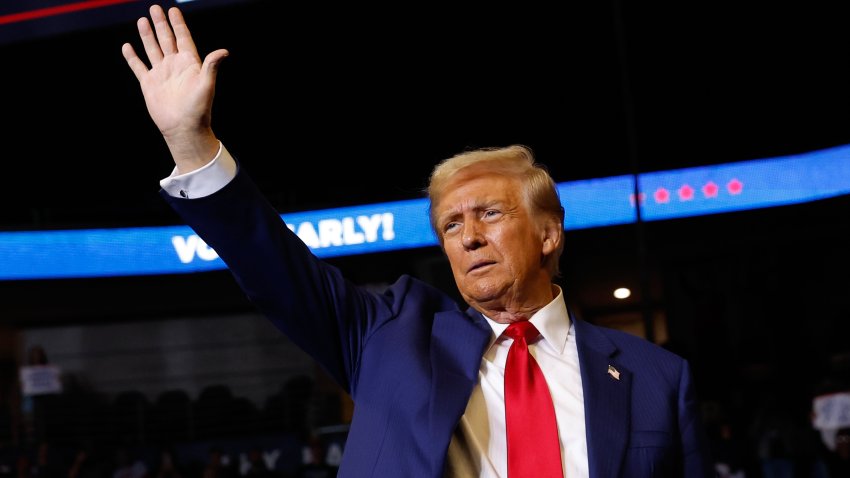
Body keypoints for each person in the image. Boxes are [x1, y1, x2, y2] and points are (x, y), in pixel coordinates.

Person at [122, 5, 712, 477]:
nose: (469, 237)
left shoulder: (656, 375)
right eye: (451, 226)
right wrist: (191, 142)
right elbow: (274, 268)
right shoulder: (389, 336)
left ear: (549, 234)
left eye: (489, 213)